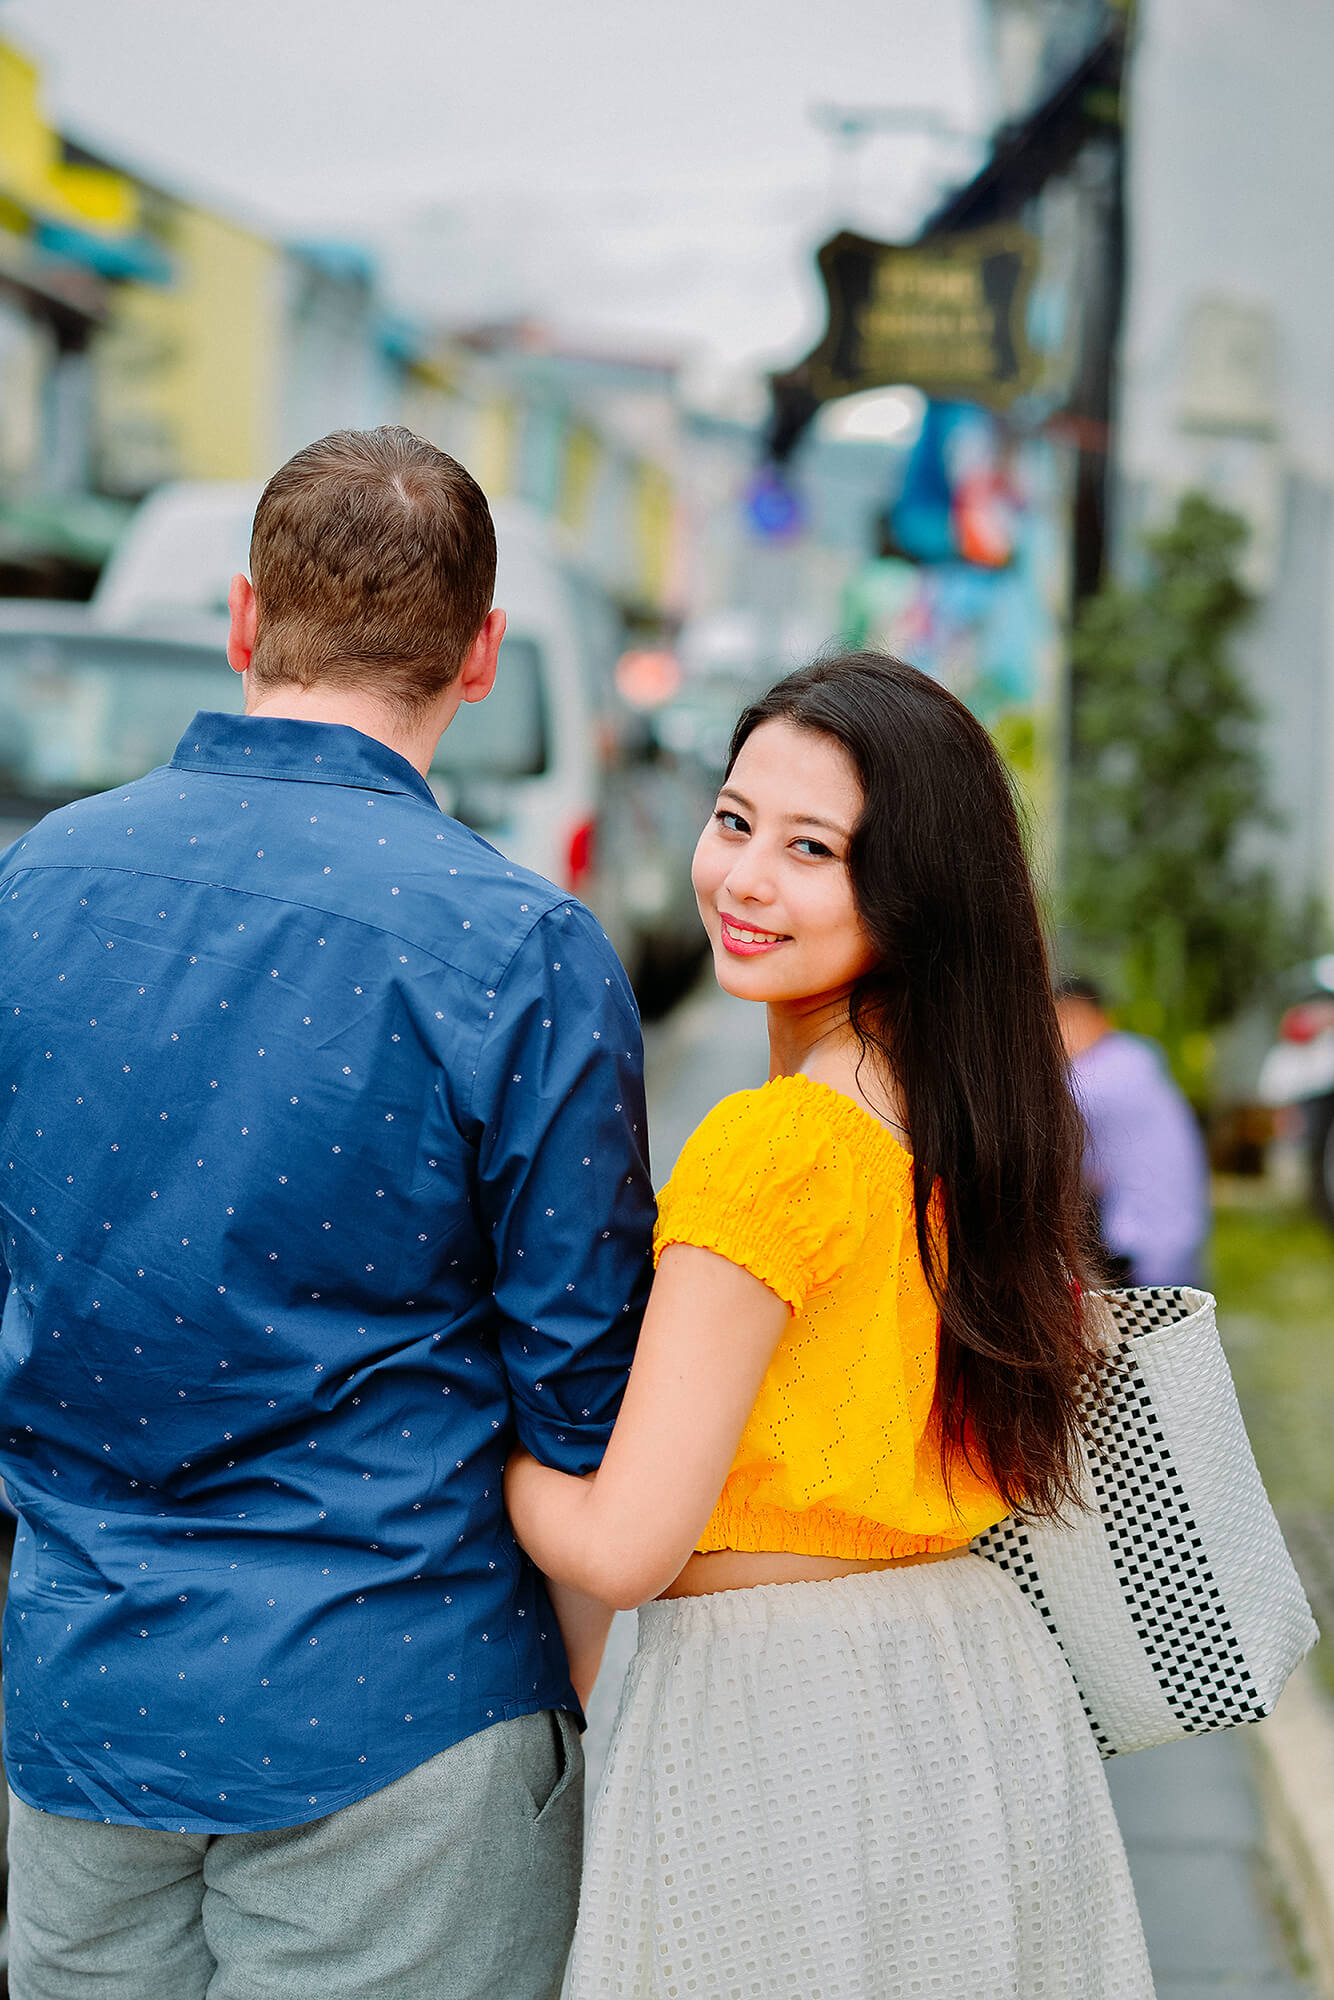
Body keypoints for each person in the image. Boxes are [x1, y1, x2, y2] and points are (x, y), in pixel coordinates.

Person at [0, 427, 655, 2000]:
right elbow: (584, 1392)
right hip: (400, 1701)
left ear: (241, 621)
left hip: (83, 1694)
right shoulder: (520, 948)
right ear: (480, 656)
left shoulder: (33, 889)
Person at [506, 653, 1154, 1999]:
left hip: (779, 1724)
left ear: (911, 893)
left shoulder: (781, 1144)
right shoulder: (976, 1114)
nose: (743, 879)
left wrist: (481, 1450)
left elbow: (625, 1543)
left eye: (812, 850)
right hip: (970, 1690)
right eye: (734, 820)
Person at [1055, 974, 1211, 1288]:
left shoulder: (1094, 1076)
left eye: (1061, 1021)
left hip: (1143, 1252)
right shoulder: (1136, 1059)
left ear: (1092, 1018)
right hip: (1183, 1240)